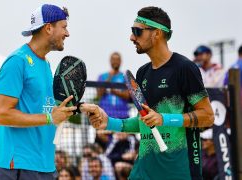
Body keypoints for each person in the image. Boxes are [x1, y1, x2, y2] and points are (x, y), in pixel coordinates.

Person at [80, 6, 214, 179]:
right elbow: (144, 122)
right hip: (144, 169)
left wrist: (163, 118)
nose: (131, 37)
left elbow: (208, 116)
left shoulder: (185, 68)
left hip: (178, 169)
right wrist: (109, 123)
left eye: (137, 31)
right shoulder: (143, 72)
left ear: (156, 33)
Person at [0, 4, 77, 180]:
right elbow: (2, 115)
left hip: (45, 164)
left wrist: (71, 109)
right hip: (19, 164)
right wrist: (50, 118)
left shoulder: (45, 64)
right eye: (64, 27)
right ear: (48, 28)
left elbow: (45, 109)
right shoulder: (17, 61)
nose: (67, 33)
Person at [97, 52, 130, 119]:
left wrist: (113, 91)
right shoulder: (102, 76)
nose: (115, 62)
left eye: (117, 60)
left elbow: (128, 95)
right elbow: (99, 94)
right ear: (110, 61)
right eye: (113, 60)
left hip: (122, 115)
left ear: (120, 61)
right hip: (105, 115)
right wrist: (110, 76)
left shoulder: (125, 77)